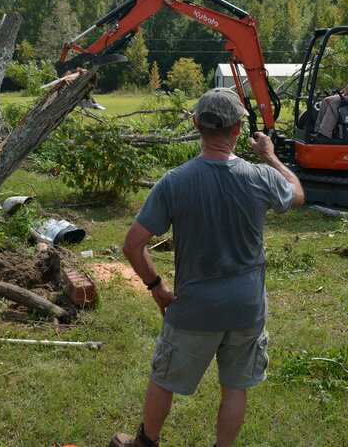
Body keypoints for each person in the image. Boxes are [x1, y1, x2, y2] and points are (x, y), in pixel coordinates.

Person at [111, 87, 304, 447]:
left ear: (196, 123)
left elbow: (132, 244)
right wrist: (271, 157)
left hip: (195, 307)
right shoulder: (261, 176)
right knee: (235, 386)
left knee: (164, 378)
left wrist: (156, 286)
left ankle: (144, 442)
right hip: (246, 308)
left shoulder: (174, 181)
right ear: (238, 129)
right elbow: (296, 194)